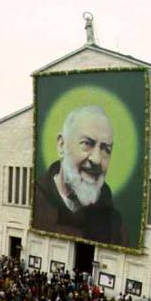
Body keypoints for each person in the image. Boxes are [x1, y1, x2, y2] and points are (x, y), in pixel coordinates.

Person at [33, 103, 129, 247]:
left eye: (105, 149)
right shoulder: (35, 198)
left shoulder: (113, 222)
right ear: (61, 145)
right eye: (87, 143)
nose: (96, 159)